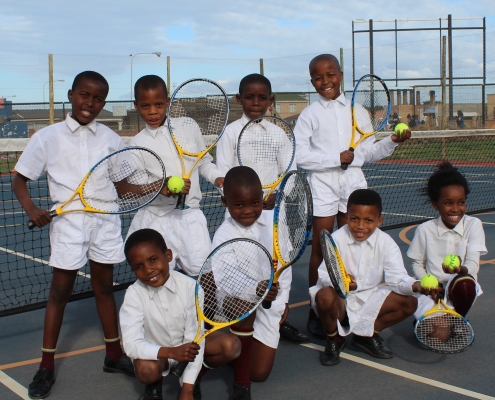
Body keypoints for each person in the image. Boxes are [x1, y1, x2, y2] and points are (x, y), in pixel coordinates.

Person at [12, 71, 134, 399]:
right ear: (71, 95)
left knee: (104, 289)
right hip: (68, 225)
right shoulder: (47, 137)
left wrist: (158, 188)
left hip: (105, 223)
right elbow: (19, 180)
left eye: (97, 98)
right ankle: (46, 366)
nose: (90, 103)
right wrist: (32, 209)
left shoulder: (110, 138)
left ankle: (113, 355)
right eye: (84, 95)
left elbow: (123, 187)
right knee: (59, 292)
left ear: (104, 103)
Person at [294, 54, 411, 338]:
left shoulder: (358, 111)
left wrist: (391, 142)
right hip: (322, 185)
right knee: (322, 249)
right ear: (312, 82)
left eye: (330, 75)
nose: (325, 82)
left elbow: (368, 151)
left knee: (352, 244)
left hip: (352, 185)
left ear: (341, 75)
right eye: (319, 77)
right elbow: (298, 154)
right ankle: (316, 309)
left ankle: (350, 304)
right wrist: (336, 158)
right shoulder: (310, 114)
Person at [216, 73, 307, 345]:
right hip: (240, 217)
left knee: (278, 265)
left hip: (272, 217)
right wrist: (242, 203)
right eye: (249, 97)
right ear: (239, 99)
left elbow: (290, 174)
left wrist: (277, 197)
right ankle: (242, 320)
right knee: (243, 268)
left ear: (271, 100)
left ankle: (279, 318)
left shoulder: (279, 134)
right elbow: (223, 176)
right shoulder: (231, 133)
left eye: (262, 97)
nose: (256, 102)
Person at [120, 229, 241, 400]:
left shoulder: (192, 288)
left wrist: (187, 389)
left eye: (153, 260)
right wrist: (170, 352)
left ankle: (194, 378)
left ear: (168, 255)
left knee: (231, 346)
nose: (148, 270)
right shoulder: (133, 294)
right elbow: (131, 345)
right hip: (158, 354)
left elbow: (195, 337)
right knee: (146, 371)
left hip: (187, 347)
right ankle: (154, 386)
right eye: (138, 267)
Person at [126, 75, 224, 277]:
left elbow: (203, 161)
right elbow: (137, 187)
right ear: (136, 105)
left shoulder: (188, 125)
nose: (153, 111)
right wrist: (161, 187)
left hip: (191, 217)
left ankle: (203, 310)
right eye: (145, 106)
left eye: (159, 104)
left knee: (205, 277)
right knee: (159, 280)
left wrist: (217, 178)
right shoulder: (136, 144)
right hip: (157, 221)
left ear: (168, 102)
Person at [310, 189, 421, 366]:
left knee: (410, 302)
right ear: (346, 217)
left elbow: (397, 277)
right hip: (342, 300)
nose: (361, 226)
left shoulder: (386, 242)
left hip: (370, 297)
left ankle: (367, 335)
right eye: (354, 219)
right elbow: (323, 276)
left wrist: (416, 286)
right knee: (324, 296)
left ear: (379, 221)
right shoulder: (336, 239)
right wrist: (343, 283)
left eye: (368, 220)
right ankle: (334, 339)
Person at [212, 166, 284, 399]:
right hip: (234, 302)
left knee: (260, 373)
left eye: (254, 203)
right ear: (225, 203)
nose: (248, 211)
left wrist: (281, 302)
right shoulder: (223, 235)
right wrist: (256, 290)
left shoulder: (275, 224)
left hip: (269, 302)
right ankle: (240, 382)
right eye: (239, 205)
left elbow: (286, 268)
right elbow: (226, 280)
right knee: (245, 308)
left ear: (262, 200)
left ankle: (236, 350)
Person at [407, 161, 486, 320]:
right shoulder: (425, 229)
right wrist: (429, 284)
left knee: (465, 282)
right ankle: (429, 318)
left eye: (461, 202)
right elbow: (417, 264)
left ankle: (458, 317)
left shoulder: (473, 225)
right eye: (448, 203)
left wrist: (459, 270)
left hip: (458, 289)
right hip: (432, 290)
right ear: (435, 205)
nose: (456, 209)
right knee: (440, 335)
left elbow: (473, 265)